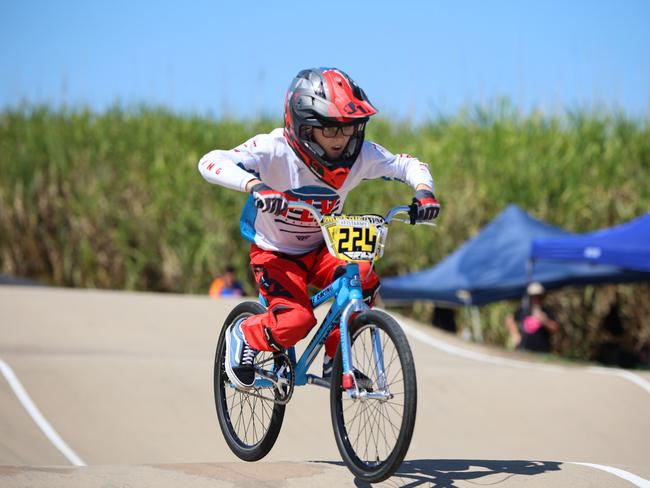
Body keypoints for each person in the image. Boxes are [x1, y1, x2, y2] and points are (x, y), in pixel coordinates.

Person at [198, 67, 440, 389]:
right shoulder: (274, 150)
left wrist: (423, 191)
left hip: (324, 246)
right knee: (297, 320)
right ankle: (243, 334)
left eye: (349, 128)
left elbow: (408, 163)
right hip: (275, 254)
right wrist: (254, 185)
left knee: (363, 277)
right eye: (329, 130)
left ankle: (335, 361)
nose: (341, 140)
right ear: (304, 129)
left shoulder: (361, 155)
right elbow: (211, 161)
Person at [506, 282, 560, 353]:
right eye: (533, 296)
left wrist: (545, 321)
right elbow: (509, 319)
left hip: (542, 351)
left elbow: (555, 328)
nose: (536, 299)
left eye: (539, 296)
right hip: (523, 349)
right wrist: (515, 335)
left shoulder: (546, 311)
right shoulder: (523, 310)